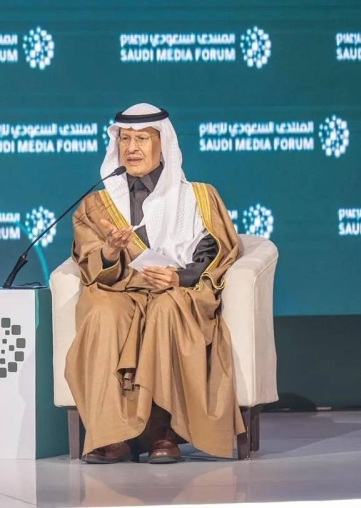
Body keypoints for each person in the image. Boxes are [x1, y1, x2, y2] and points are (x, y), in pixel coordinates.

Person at [65, 103, 245, 464]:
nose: (131, 148)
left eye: (142, 139)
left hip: (176, 289)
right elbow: (90, 261)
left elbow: (216, 249)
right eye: (125, 139)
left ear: (163, 143)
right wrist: (111, 251)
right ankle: (112, 435)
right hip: (121, 289)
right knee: (101, 313)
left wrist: (179, 277)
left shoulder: (198, 196)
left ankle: (164, 431)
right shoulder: (97, 205)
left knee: (166, 309)